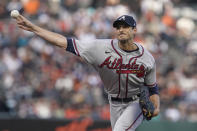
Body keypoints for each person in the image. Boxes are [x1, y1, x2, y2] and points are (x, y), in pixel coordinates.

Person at [14, 14, 160, 131]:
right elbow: (63, 42)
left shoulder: (146, 58)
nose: (121, 30)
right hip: (114, 103)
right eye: (118, 27)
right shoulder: (100, 48)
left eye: (126, 27)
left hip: (135, 103)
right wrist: (34, 28)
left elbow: (153, 89)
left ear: (134, 30)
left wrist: (156, 108)